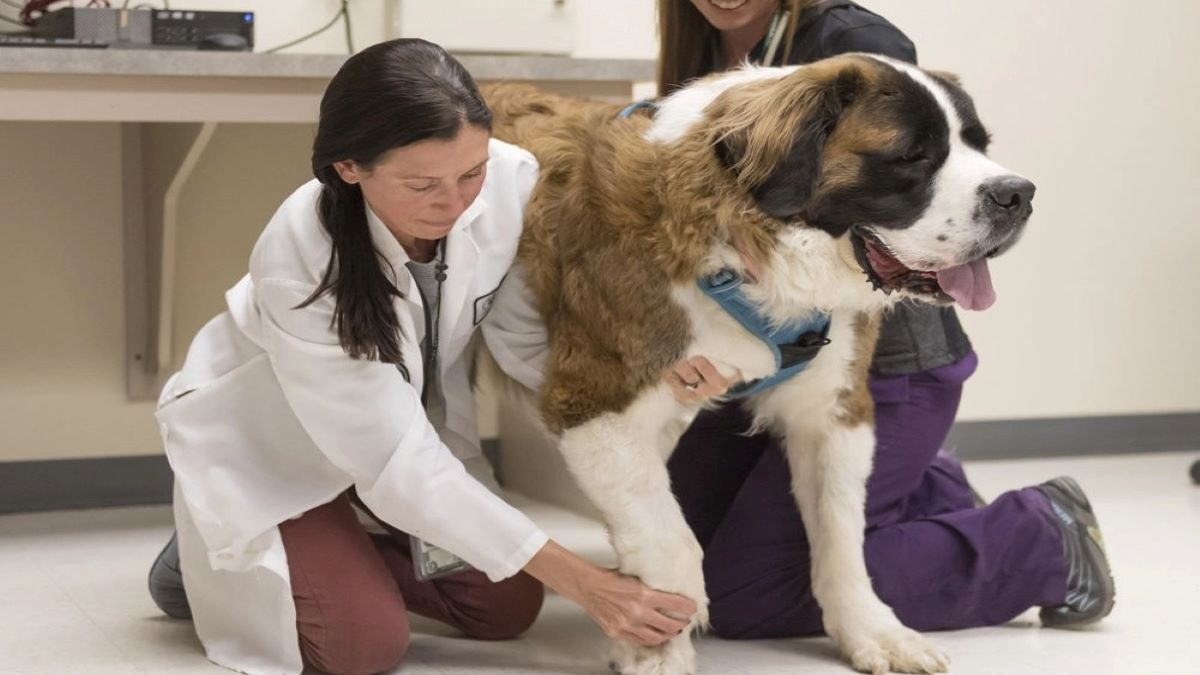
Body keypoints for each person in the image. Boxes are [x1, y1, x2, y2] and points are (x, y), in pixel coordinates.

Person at [145, 38, 695, 675]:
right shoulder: (299, 258)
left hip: (391, 443)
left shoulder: (510, 181)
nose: (457, 203)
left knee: (507, 607)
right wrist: (586, 583)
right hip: (278, 450)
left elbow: (524, 345)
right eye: (422, 184)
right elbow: (393, 461)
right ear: (349, 168)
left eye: (470, 173)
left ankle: (334, 552)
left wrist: (648, 377)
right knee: (362, 649)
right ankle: (204, 555)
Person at [658, 0, 1115, 639]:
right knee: (676, 547)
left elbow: (920, 194)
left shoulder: (853, 42)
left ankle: (1038, 538)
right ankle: (930, 494)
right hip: (765, 366)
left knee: (744, 593)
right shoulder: (705, 47)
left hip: (876, 375)